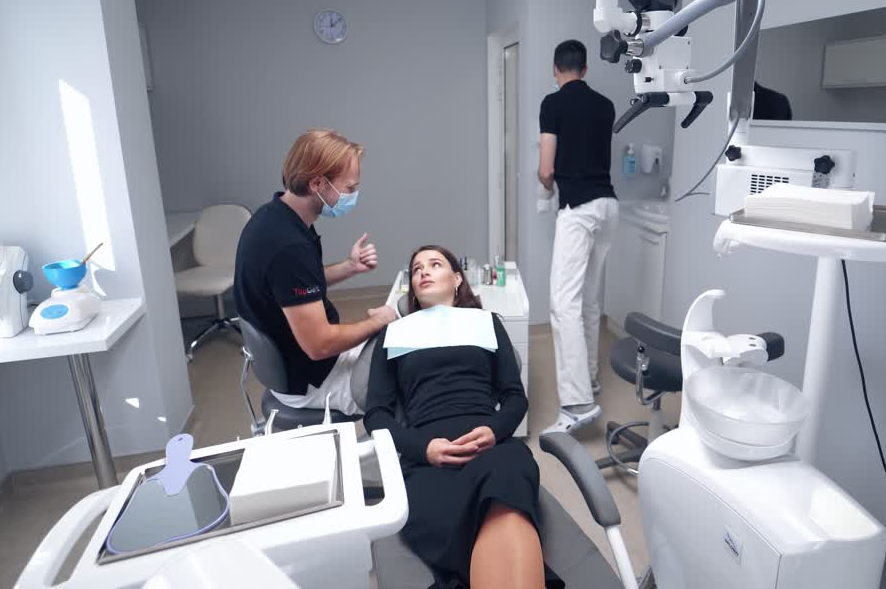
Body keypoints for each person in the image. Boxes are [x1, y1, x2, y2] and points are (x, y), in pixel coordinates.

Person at [366, 246, 559, 589]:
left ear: (457, 279)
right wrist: (423, 448)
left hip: (492, 447)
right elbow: (376, 415)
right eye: (416, 269)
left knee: (505, 489)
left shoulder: (486, 324)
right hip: (428, 460)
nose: (423, 272)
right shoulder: (394, 335)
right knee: (470, 521)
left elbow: (515, 398)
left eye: (435, 264)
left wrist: (494, 429)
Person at [233, 128, 398, 416]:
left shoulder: (274, 216)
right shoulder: (287, 246)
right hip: (314, 381)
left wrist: (349, 267)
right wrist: (377, 321)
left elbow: (294, 287)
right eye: (349, 188)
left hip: (304, 362)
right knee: (415, 392)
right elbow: (320, 345)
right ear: (318, 183)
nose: (353, 195)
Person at [538, 39, 618, 435]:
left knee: (563, 304)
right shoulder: (605, 106)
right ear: (584, 70)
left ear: (556, 70)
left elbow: (546, 170)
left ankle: (577, 402)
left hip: (578, 209)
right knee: (588, 299)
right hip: (609, 206)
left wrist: (544, 187)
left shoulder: (552, 104)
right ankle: (591, 379)